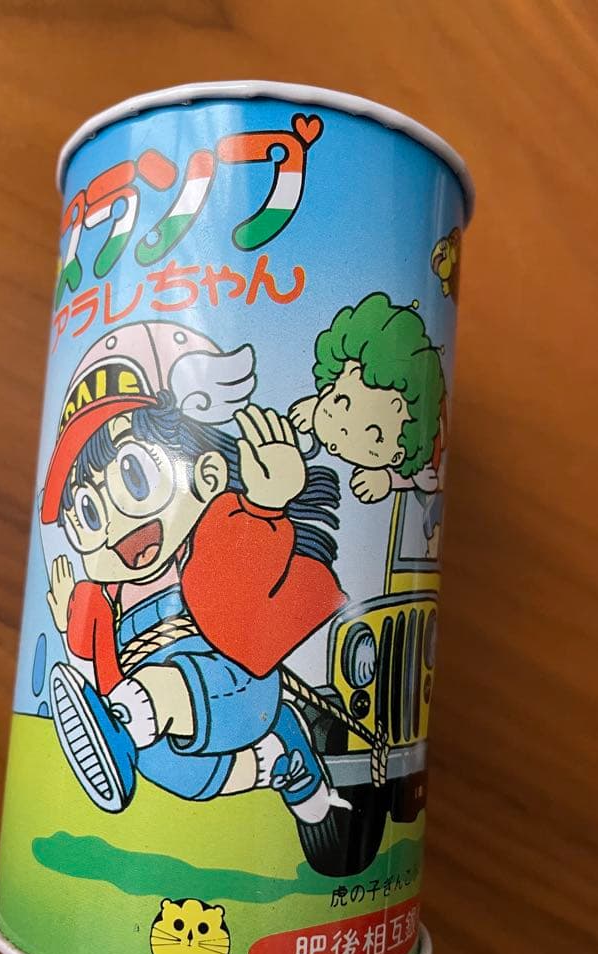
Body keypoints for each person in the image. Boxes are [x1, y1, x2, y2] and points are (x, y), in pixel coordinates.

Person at [40, 320, 349, 824]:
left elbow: (248, 575)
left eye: (134, 477)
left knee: (165, 690)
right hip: (166, 721)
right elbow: (87, 643)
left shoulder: (207, 547)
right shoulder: (108, 595)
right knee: (173, 770)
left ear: (205, 477)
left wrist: (266, 504)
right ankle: (283, 761)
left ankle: (122, 720)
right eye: (89, 514)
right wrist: (68, 615)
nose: (115, 524)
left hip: (230, 673)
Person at [289, 293, 447, 504]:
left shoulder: (420, 452)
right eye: (340, 401)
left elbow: (422, 473)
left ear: (397, 455)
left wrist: (389, 479)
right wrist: (321, 408)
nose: (344, 433)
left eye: (376, 435)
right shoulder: (340, 370)